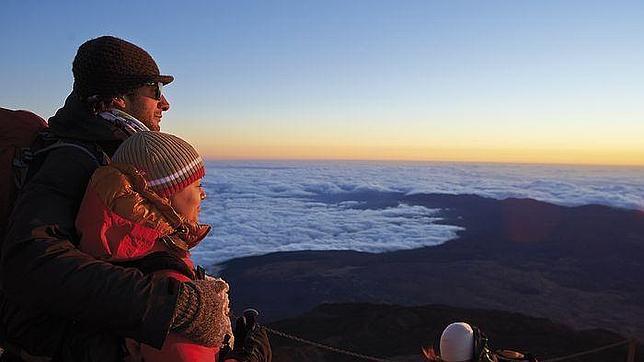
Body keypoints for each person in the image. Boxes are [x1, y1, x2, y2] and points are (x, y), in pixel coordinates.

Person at [0, 36, 270, 361]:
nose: (165, 103)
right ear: (118, 99)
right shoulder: (74, 159)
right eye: (154, 91)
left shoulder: (108, 153)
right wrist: (173, 305)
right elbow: (30, 262)